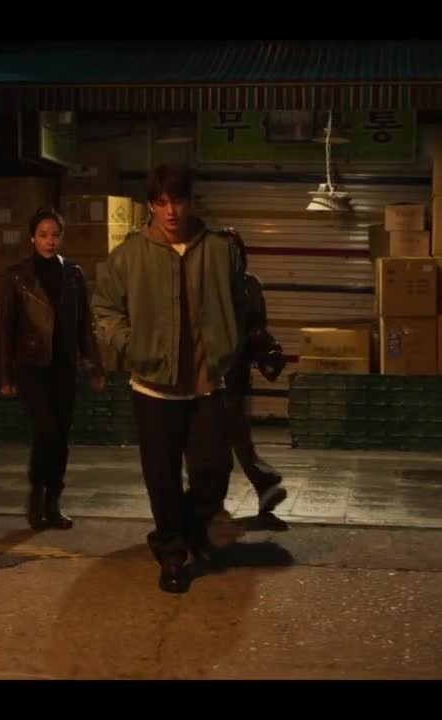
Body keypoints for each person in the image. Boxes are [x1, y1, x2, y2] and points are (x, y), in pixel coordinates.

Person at [93, 164, 246, 594]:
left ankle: (190, 528)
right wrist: (131, 346)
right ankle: (172, 552)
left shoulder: (220, 250)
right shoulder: (130, 255)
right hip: (153, 385)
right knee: (161, 476)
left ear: (190, 201)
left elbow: (240, 302)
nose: (171, 211)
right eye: (161, 203)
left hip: (205, 383)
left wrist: (230, 347)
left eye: (177, 201)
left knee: (214, 469)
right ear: (151, 206)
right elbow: (104, 309)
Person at [0, 206, 105, 531]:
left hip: (64, 368)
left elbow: (85, 325)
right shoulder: (17, 276)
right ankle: (37, 493)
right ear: (32, 237)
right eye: (43, 235)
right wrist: (6, 376)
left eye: (55, 235)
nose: (50, 241)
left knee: (61, 436)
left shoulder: (73, 274)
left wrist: (95, 367)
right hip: (32, 366)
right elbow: (6, 329)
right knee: (47, 431)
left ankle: (53, 502)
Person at [222, 229, 289, 524]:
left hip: (234, 372)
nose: (231, 257)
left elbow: (257, 327)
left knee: (236, 436)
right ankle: (261, 484)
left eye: (235, 251)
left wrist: (266, 353)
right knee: (217, 442)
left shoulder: (250, 286)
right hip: (207, 372)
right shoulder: (205, 285)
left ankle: (263, 484)